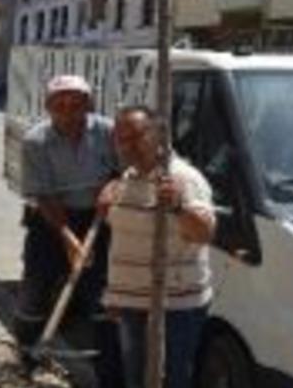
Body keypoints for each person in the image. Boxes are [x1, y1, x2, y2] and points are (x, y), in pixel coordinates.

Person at [15, 74, 124, 387]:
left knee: (103, 296)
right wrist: (70, 241)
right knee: (34, 290)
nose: (68, 109)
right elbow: (44, 196)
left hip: (98, 218)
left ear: (88, 103)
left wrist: (112, 186)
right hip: (50, 221)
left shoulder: (107, 131)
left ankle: (110, 373)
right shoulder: (36, 140)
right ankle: (26, 358)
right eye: (59, 102)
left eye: (76, 102)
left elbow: (123, 170)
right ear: (48, 106)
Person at [100, 105, 216, 388]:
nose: (128, 145)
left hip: (174, 304)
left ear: (158, 138)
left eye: (137, 136)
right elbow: (124, 239)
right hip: (131, 304)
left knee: (171, 379)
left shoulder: (183, 179)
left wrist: (178, 206)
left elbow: (204, 232)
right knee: (136, 378)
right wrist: (114, 295)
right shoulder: (126, 179)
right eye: (121, 138)